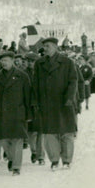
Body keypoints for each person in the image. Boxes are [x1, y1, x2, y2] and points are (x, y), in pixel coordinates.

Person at [31, 37, 78, 171]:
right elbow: (35, 84)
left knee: (66, 133)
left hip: (64, 103)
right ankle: (54, 159)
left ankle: (67, 160)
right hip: (46, 103)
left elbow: (73, 81)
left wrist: (69, 98)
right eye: (44, 46)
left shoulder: (67, 62)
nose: (45, 49)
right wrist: (35, 101)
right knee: (50, 133)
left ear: (56, 47)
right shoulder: (39, 64)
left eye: (48, 46)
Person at [0, 51, 32, 176]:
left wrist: (29, 114)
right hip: (1, 113)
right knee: (4, 140)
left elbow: (28, 96)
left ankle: (16, 167)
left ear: (13, 61)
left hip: (18, 112)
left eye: (6, 60)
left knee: (17, 140)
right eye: (2, 61)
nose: (4, 63)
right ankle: (12, 158)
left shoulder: (22, 76)